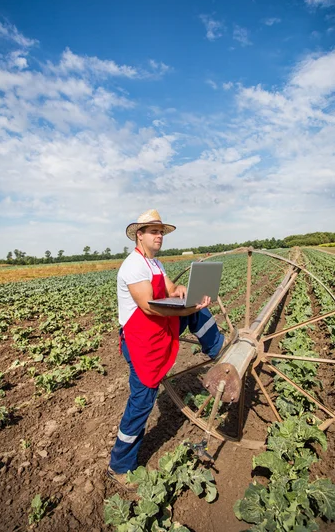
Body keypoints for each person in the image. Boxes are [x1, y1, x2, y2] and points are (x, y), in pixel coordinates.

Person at [107, 209, 226, 490]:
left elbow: (170, 289)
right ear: (140, 235)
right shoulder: (133, 266)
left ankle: (220, 351)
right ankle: (119, 465)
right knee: (142, 402)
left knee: (196, 311)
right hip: (142, 342)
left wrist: (184, 291)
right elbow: (148, 305)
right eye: (153, 231)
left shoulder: (155, 263)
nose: (159, 236)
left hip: (159, 330)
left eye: (161, 231)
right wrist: (184, 306)